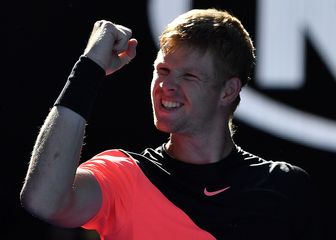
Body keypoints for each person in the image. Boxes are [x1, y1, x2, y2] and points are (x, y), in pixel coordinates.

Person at [20, 8, 323, 240]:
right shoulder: (124, 175)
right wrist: (89, 67)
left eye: (189, 76)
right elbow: (43, 201)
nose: (166, 86)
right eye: (162, 70)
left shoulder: (285, 187)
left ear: (228, 90)